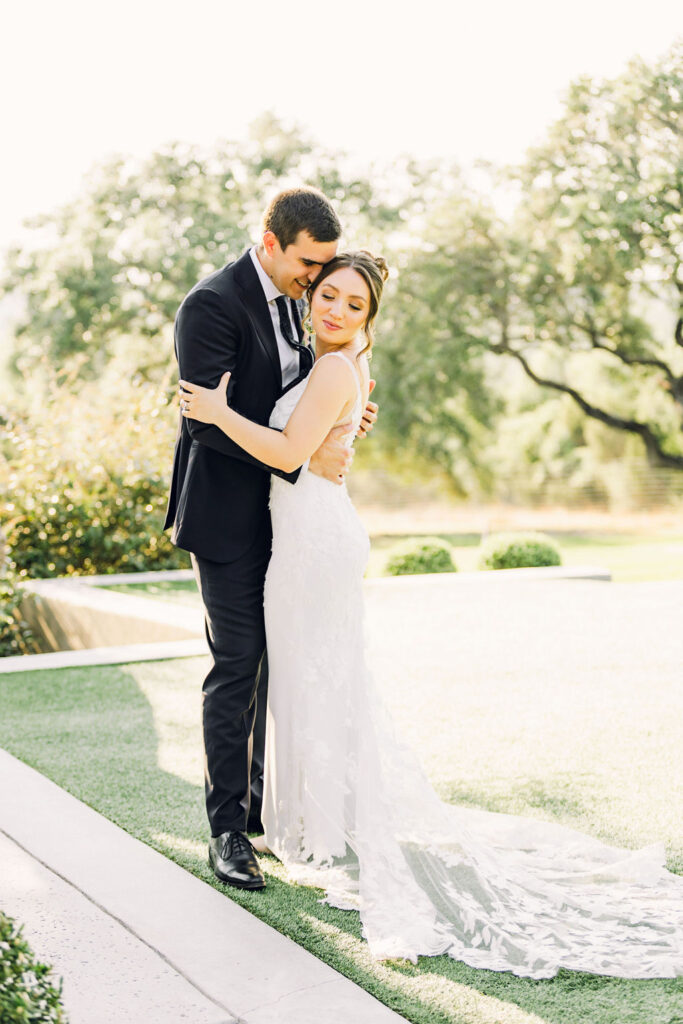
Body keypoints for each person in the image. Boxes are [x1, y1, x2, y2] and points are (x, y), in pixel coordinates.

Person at [177, 251, 683, 978]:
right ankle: (309, 823)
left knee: (318, 683)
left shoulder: (333, 365)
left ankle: (318, 827)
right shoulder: (325, 358)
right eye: (329, 296)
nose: (337, 311)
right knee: (312, 684)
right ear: (309, 293)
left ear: (370, 318)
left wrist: (227, 413)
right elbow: (306, 436)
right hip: (306, 536)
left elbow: (290, 451)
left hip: (313, 542)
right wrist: (336, 426)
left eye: (354, 305)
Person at [164, 188, 379, 891]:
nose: (316, 282)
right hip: (227, 518)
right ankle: (229, 830)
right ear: (269, 240)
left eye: (324, 270)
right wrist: (298, 447)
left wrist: (330, 426)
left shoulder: (301, 300)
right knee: (238, 665)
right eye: (307, 265)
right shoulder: (210, 305)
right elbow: (204, 422)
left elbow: (309, 384)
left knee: (280, 664)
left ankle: (270, 812)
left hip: (289, 521)